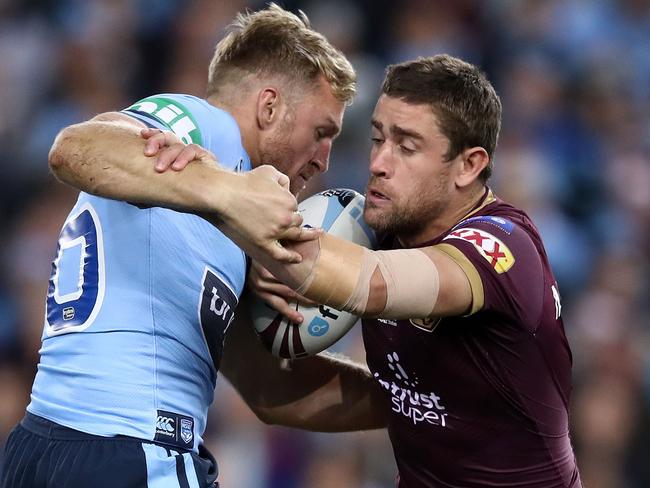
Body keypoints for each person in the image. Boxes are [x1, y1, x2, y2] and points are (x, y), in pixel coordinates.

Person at [139, 54, 584, 487]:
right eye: (377, 138)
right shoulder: (372, 227)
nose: (378, 164)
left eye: (407, 147)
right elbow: (274, 395)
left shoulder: (502, 247)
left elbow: (372, 284)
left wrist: (227, 212)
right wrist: (236, 273)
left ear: (469, 165)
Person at [0, 4, 355, 487]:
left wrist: (425, 407)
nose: (324, 159)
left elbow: (272, 389)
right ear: (268, 107)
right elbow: (76, 149)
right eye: (321, 133)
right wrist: (225, 191)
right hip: (137, 450)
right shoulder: (203, 128)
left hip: (48, 448)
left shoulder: (221, 219)